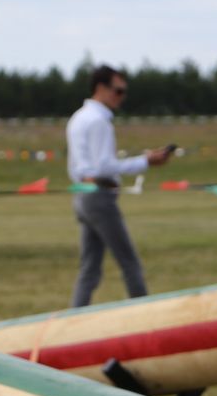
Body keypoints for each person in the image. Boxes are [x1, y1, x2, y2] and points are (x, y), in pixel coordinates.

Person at [65, 65, 171, 306]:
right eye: (118, 91)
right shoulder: (99, 121)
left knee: (90, 268)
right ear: (101, 88)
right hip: (99, 198)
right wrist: (146, 161)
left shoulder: (78, 117)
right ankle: (145, 319)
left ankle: (73, 319)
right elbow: (104, 166)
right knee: (130, 263)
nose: (121, 97)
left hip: (82, 195)